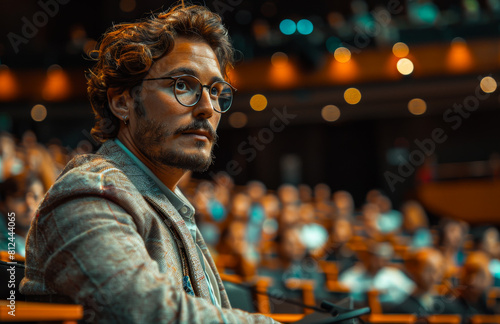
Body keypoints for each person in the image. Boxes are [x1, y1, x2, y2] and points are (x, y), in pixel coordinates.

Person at [20, 5, 275, 323]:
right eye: (183, 85)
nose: (208, 108)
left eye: (216, 91)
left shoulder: (171, 203)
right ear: (122, 101)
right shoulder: (91, 191)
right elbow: (144, 311)